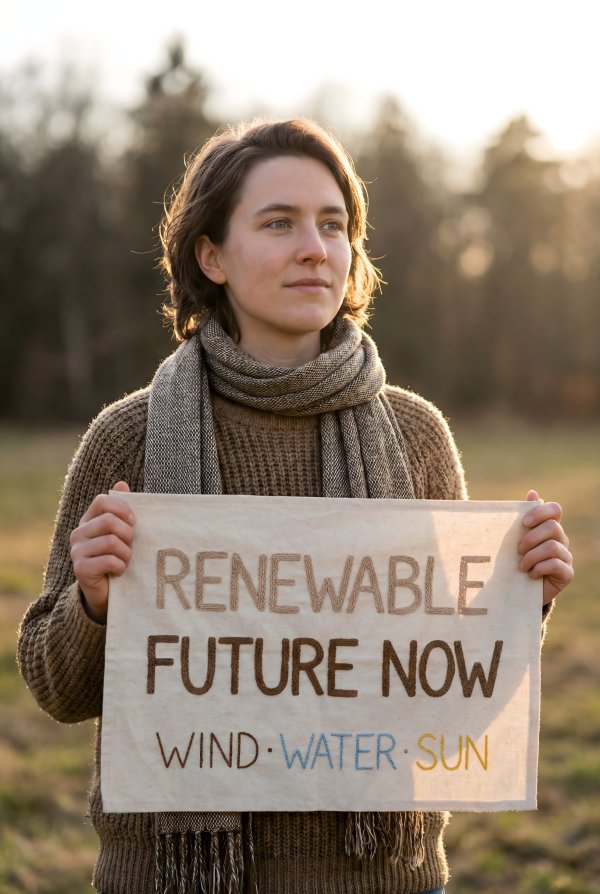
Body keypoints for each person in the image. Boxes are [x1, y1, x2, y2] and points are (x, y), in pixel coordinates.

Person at [17, 118, 573, 894]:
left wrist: (519, 605)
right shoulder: (130, 439)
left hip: (383, 876)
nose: (316, 246)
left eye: (334, 223)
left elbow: (449, 709)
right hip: (173, 878)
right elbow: (57, 691)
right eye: (279, 223)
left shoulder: (415, 437)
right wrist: (96, 603)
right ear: (211, 255)